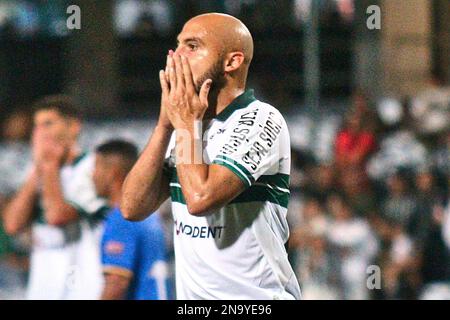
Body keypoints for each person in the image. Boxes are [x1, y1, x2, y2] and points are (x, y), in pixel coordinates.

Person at [121, 13, 301, 300]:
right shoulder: (186, 124)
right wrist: (165, 124)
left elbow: (201, 199)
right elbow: (132, 207)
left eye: (192, 46)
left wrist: (184, 125)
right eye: (177, 44)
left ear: (232, 62)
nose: (176, 56)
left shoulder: (260, 119)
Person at [2, 95, 108, 300]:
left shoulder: (92, 168)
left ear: (73, 127)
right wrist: (38, 171)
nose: (41, 133)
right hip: (44, 287)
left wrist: (49, 166)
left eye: (48, 124)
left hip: (82, 287)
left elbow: (57, 216)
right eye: (37, 126)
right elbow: (12, 225)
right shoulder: (37, 171)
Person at [93, 140, 171, 300]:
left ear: (112, 173)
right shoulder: (147, 214)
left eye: (96, 167)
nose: (92, 175)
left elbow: (116, 284)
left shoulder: (122, 218)